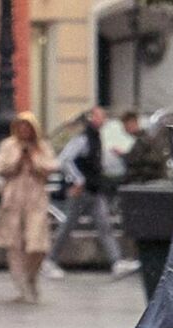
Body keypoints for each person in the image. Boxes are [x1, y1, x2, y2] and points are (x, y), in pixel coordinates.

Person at [45, 107, 139, 280]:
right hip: (82, 191)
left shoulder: (95, 137)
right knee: (68, 226)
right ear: (92, 118)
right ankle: (49, 260)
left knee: (104, 226)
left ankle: (117, 262)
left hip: (94, 190)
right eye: (101, 116)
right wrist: (78, 180)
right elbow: (65, 160)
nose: (104, 120)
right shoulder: (83, 138)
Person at [0, 111, 58, 304]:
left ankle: (31, 276)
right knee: (15, 244)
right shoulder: (8, 146)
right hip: (13, 198)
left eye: (28, 127)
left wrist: (34, 161)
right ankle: (22, 284)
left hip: (35, 197)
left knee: (37, 243)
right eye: (21, 126)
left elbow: (51, 165)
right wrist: (18, 160)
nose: (24, 130)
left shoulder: (42, 147)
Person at [120, 110, 169, 184]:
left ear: (131, 123)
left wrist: (124, 156)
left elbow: (138, 160)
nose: (124, 129)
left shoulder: (143, 140)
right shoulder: (143, 138)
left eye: (125, 125)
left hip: (147, 180)